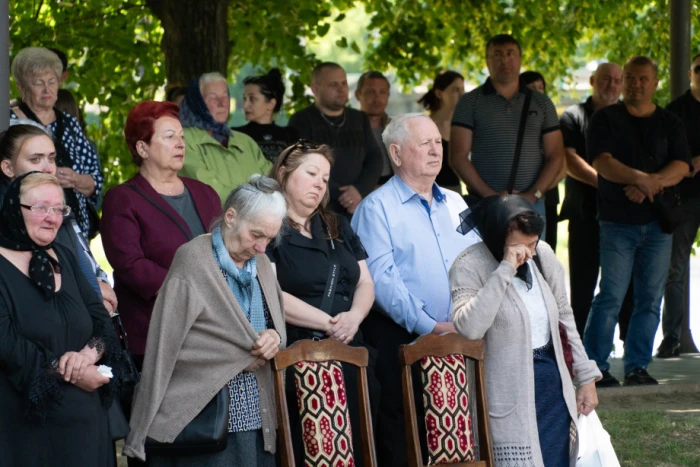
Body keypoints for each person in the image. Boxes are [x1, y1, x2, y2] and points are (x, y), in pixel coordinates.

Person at [123, 175, 287, 466]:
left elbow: (275, 324)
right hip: (207, 414)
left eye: (269, 239)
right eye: (256, 235)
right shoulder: (193, 260)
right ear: (231, 216)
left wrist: (274, 338)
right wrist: (236, 356)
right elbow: (167, 344)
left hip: (256, 412)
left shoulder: (260, 262)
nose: (262, 247)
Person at [351, 113, 481, 467]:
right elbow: (381, 281)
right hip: (403, 340)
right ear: (395, 153)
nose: (436, 150)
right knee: (407, 440)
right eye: (424, 143)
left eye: (438, 142)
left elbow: (480, 262)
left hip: (463, 339)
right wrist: (431, 327)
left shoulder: (456, 203)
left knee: (461, 439)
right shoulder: (375, 208)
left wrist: (471, 320)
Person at [450, 195, 601, 467]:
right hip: (506, 396)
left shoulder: (543, 255)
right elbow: (470, 328)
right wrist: (506, 268)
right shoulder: (468, 265)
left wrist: (586, 378)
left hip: (553, 390)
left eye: (532, 243)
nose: (528, 253)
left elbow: (565, 316)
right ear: (497, 237)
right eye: (519, 245)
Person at [267, 141, 379, 466]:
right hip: (302, 359)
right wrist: (330, 323)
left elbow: (366, 282)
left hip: (351, 352)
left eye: (325, 177)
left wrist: (355, 317)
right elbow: (271, 294)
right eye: (312, 173)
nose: (320, 183)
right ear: (284, 173)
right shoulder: (269, 226)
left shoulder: (337, 225)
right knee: (313, 452)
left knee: (357, 450)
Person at [0, 172, 122, 466]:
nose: (52, 218)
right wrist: (74, 372)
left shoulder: (65, 255)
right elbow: (7, 345)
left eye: (59, 209)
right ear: (16, 208)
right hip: (25, 433)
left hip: (88, 426)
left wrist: (88, 354)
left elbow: (102, 321)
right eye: (41, 207)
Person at [583, 56, 692, 386]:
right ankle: (596, 367)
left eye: (643, 78)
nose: (635, 84)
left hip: (659, 226)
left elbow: (683, 166)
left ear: (655, 83)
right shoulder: (605, 119)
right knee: (611, 296)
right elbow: (603, 162)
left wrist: (650, 182)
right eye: (630, 78)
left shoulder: (670, 122)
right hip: (617, 223)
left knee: (649, 299)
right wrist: (643, 179)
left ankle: (636, 367)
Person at [101, 101, 221, 366]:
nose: (180, 144)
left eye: (181, 136)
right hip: (157, 334)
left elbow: (224, 251)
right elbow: (131, 265)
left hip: (214, 329)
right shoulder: (122, 199)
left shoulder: (205, 193)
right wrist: (191, 292)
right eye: (169, 137)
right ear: (142, 148)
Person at [450, 34, 565, 241]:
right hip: (486, 205)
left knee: (532, 269)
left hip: (532, 206)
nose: (504, 60)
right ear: (487, 61)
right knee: (485, 271)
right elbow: (457, 156)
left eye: (510, 54)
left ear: (520, 58)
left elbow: (556, 155)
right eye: (497, 54)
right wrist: (490, 195)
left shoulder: (542, 103)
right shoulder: (469, 103)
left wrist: (532, 195)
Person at [0, 123, 118, 315]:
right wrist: (93, 295)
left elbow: (86, 259)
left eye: (52, 158)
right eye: (35, 159)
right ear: (8, 168)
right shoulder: (9, 220)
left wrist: (101, 283)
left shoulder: (60, 208)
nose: (48, 168)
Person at [559, 62, 635, 348]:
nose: (612, 85)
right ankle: (578, 354)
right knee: (583, 287)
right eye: (606, 79)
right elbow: (569, 160)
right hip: (585, 214)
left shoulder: (630, 117)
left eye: (618, 80)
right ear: (592, 80)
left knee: (627, 289)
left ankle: (629, 353)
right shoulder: (573, 116)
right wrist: (609, 184)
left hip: (625, 216)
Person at [10, 47, 104, 237]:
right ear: (21, 87)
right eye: (39, 84)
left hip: (75, 229)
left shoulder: (70, 124)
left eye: (52, 82)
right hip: (27, 226)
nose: (47, 90)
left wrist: (75, 179)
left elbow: (96, 182)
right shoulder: (10, 123)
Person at [288, 62, 382, 217]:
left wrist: (359, 190)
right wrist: (344, 196)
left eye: (344, 83)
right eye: (333, 84)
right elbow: (303, 165)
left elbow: (375, 158)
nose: (341, 89)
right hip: (321, 210)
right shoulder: (301, 121)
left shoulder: (359, 118)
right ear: (315, 89)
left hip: (359, 206)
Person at [658, 53, 700, 358]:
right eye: (699, 69)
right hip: (683, 199)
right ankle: (671, 337)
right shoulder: (674, 113)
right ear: (690, 73)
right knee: (675, 270)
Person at [179, 72, 272, 203]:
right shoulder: (183, 140)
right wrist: (251, 206)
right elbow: (206, 189)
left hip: (257, 218)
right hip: (213, 222)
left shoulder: (245, 141)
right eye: (213, 98)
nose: (222, 104)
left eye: (225, 96)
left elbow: (271, 179)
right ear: (198, 102)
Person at [521, 71, 561, 250]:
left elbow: (561, 164)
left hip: (547, 196)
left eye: (541, 88)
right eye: (532, 88)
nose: (538, 93)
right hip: (523, 196)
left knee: (546, 251)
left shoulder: (550, 122)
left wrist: (539, 190)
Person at [233, 68, 298, 163]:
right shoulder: (235, 135)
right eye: (244, 98)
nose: (245, 105)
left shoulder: (290, 136)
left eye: (252, 99)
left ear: (271, 104)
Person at [418, 70, 464, 192]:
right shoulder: (422, 126)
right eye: (455, 90)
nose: (461, 95)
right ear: (439, 93)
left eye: (462, 90)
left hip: (455, 192)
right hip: (428, 193)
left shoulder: (463, 125)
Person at [355, 71, 393, 184]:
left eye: (382, 92)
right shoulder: (349, 130)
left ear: (388, 95)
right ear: (358, 95)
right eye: (370, 92)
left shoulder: (397, 128)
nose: (377, 98)